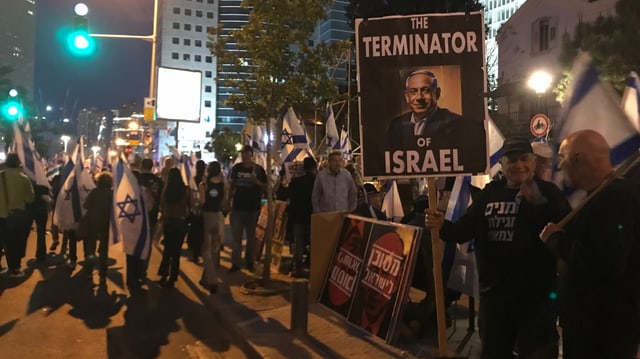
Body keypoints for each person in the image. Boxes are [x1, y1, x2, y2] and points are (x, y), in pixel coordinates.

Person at [426, 137, 571, 359]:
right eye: (511, 160)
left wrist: (539, 203)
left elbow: (564, 233)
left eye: (524, 159)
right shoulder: (488, 194)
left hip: (536, 299)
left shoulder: (549, 192)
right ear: (502, 165)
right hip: (495, 298)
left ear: (533, 162)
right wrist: (441, 224)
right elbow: (463, 230)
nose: (518, 165)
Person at [540, 130, 640, 359]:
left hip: (602, 331)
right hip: (593, 326)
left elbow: (605, 263)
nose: (560, 165)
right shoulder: (602, 196)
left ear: (578, 159)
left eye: (563, 157)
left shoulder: (615, 199)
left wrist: (556, 240)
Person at [387, 70, 461, 147]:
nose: (419, 97)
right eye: (413, 92)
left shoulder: (455, 124)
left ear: (437, 93)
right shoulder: (396, 125)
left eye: (425, 90)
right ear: (407, 97)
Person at [227, 145, 267, 273]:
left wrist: (256, 182)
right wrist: (228, 202)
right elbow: (231, 186)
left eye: (246, 154)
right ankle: (236, 263)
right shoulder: (236, 168)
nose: (244, 156)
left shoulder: (259, 170)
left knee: (251, 238)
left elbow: (266, 188)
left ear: (251, 155)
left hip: (252, 209)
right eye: (242, 154)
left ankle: (249, 262)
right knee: (236, 238)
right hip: (237, 209)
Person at [0, 153, 35, 277]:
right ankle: (14, 268)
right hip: (16, 216)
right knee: (15, 242)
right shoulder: (23, 178)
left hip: (1, 215)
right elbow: (30, 198)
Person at [157, 168, 190, 288]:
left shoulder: (166, 189)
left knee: (167, 250)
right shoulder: (185, 189)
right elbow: (189, 204)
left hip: (168, 221)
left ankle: (164, 274)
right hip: (181, 222)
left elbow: (161, 205)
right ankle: (173, 277)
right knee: (176, 252)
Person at [198, 161, 227, 293]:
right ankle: (205, 277)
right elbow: (224, 201)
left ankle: (212, 279)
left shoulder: (203, 185)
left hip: (207, 216)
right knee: (215, 248)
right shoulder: (223, 185)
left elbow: (202, 202)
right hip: (218, 216)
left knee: (206, 250)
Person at [81, 171, 113, 285]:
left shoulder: (94, 192)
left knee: (90, 249)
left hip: (92, 223)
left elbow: (85, 205)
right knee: (103, 251)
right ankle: (102, 275)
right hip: (105, 225)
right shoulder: (111, 194)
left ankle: (88, 272)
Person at [287, 157, 316, 277]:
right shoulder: (316, 181)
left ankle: (297, 267)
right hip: (312, 216)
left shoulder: (295, 182)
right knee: (313, 242)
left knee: (298, 243)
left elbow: (290, 198)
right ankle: (312, 265)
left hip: (298, 216)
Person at [186, 159, 206, 263]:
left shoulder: (193, 179)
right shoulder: (206, 180)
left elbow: (190, 193)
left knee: (194, 231)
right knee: (202, 232)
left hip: (194, 209)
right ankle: (199, 252)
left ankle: (194, 252)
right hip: (204, 210)